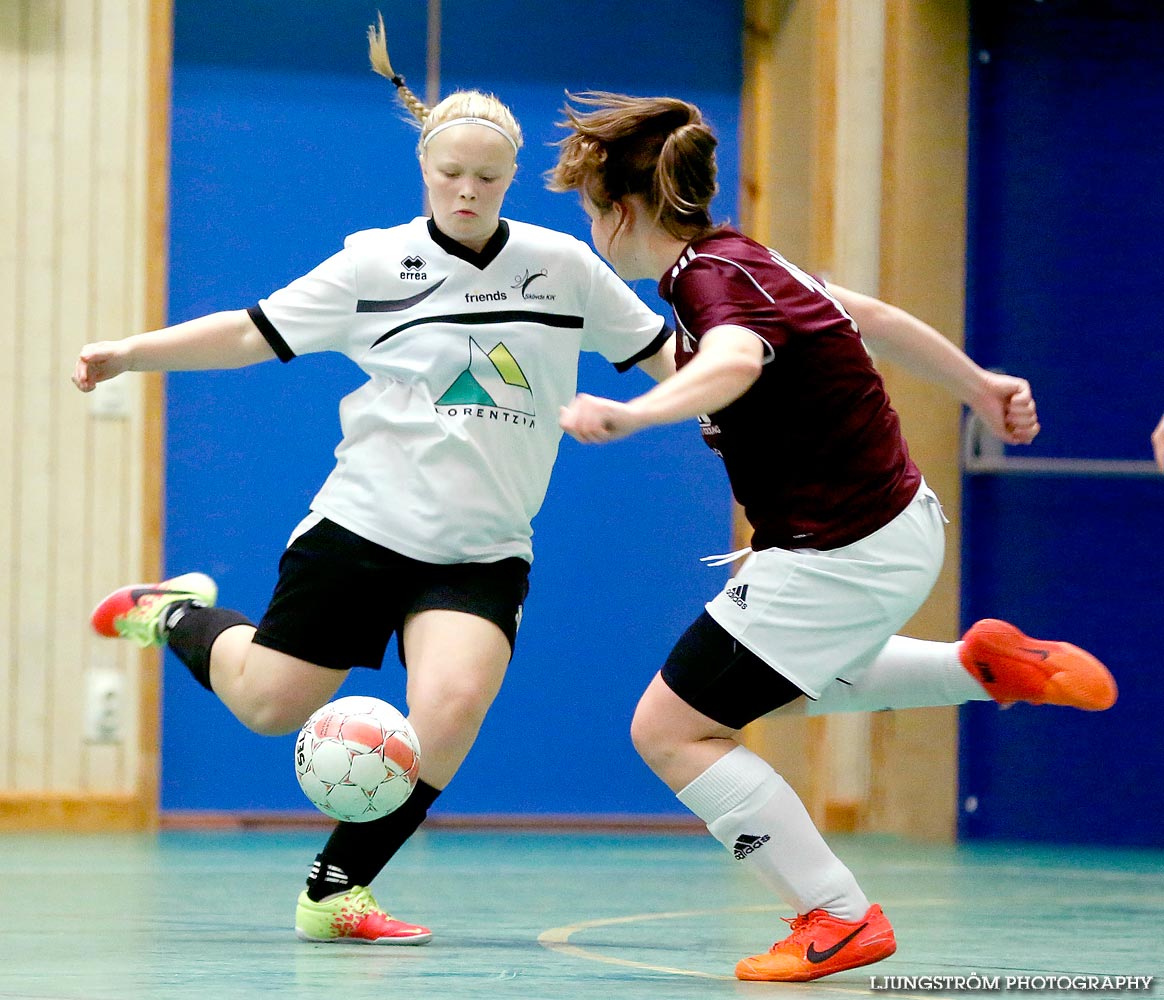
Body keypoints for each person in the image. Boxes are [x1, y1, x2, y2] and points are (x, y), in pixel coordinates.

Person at [73, 30, 673, 945]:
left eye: (488, 178)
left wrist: (754, 379)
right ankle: (171, 613)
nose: (468, 193)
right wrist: (129, 355)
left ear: (512, 176)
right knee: (271, 706)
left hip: (481, 549)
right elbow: (247, 332)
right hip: (362, 527)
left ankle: (336, 889)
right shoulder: (372, 265)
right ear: (425, 167)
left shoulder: (566, 269)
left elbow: (669, 354)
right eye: (451, 175)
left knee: (453, 706)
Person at [547, 91, 1118, 982]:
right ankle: (978, 669)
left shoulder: (709, 283)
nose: (592, 230)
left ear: (620, 214)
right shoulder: (748, 255)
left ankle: (838, 916)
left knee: (669, 729)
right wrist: (977, 384)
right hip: (899, 526)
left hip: (836, 554)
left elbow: (734, 360)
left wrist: (635, 413)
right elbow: (875, 320)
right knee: (774, 686)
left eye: (590, 212)